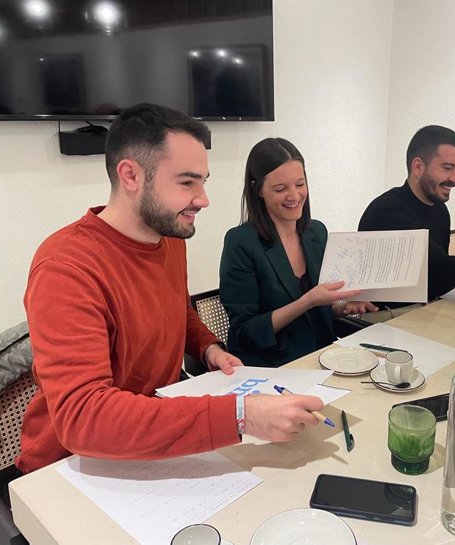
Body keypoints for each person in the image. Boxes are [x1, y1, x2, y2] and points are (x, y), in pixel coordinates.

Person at [17, 104, 324, 474]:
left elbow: (176, 309)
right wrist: (242, 416)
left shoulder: (169, 237)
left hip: (158, 427)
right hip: (71, 463)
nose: (203, 199)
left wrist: (207, 347)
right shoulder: (66, 267)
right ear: (130, 175)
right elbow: (84, 417)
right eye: (186, 182)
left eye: (203, 182)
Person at [220, 138, 377, 367]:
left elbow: (315, 313)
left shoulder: (316, 232)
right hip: (273, 366)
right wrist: (307, 301)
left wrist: (341, 308)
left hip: (322, 358)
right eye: (281, 189)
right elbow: (246, 331)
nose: (294, 196)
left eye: (300, 184)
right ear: (258, 190)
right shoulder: (241, 242)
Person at [358, 125, 455, 305]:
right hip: (384, 321)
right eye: (447, 168)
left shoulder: (439, 210)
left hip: (427, 311)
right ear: (418, 167)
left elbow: (439, 281)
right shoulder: (387, 212)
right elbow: (442, 268)